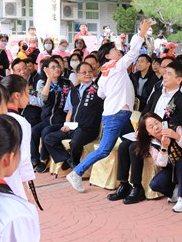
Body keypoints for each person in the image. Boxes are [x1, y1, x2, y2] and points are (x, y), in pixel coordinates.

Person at [65, 18, 154, 193]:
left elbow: (100, 93)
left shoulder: (105, 72)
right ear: (107, 56)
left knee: (133, 143)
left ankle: (129, 183)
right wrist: (142, 32)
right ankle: (76, 172)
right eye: (114, 49)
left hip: (120, 114)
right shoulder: (117, 66)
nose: (117, 50)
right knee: (105, 149)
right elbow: (133, 52)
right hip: (117, 115)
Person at [108, 60, 182, 204]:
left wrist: (153, 132)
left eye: (169, 74)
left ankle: (137, 187)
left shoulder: (180, 100)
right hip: (148, 131)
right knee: (123, 146)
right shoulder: (158, 92)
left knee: (134, 148)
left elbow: (174, 125)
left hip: (162, 137)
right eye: (164, 73)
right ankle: (123, 184)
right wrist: (141, 128)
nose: (164, 76)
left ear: (178, 80)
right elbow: (146, 110)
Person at [135, 112, 182, 212]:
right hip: (173, 171)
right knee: (155, 184)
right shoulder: (152, 144)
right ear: (148, 132)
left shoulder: (175, 129)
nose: (156, 127)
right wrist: (164, 147)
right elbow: (161, 164)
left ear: (161, 122)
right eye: (151, 127)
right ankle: (175, 194)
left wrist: (177, 136)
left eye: (156, 123)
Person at [43, 62, 104, 172]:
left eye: (90, 72)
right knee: (49, 139)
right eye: (84, 72)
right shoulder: (73, 91)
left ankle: (74, 162)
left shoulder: (99, 89)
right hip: (73, 127)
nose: (87, 74)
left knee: (75, 142)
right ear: (78, 74)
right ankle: (69, 160)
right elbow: (70, 111)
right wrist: (67, 125)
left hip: (88, 128)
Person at [0, 74, 38, 201]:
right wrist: (26, 191)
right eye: (27, 93)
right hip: (13, 179)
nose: (28, 97)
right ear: (17, 95)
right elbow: (24, 158)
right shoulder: (20, 122)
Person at [31, 57, 71, 172]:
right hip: (46, 119)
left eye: (58, 66)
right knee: (33, 131)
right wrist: (49, 79)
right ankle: (34, 160)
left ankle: (43, 160)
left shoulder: (66, 83)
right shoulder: (42, 83)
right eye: (53, 67)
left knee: (46, 131)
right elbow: (43, 99)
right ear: (46, 69)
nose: (57, 69)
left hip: (60, 120)